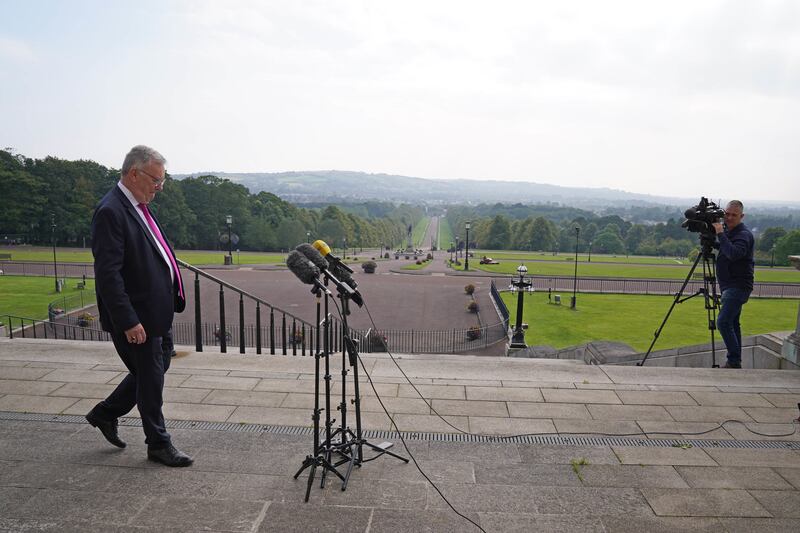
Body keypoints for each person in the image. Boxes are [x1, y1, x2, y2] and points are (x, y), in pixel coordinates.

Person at [85, 145, 192, 467]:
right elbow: (108, 275)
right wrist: (128, 321)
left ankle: (105, 413)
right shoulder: (111, 211)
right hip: (138, 317)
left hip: (157, 312)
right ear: (134, 173)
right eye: (156, 180)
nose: (160, 187)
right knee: (150, 380)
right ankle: (158, 443)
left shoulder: (138, 205)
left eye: (162, 181)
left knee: (157, 370)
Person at [713, 200, 755, 369]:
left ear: (741, 216)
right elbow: (726, 248)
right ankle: (735, 360)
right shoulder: (732, 231)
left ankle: (733, 360)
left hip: (737, 286)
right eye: (727, 214)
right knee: (733, 322)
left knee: (723, 322)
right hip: (730, 285)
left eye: (733, 215)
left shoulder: (743, 234)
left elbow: (733, 253)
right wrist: (714, 241)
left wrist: (720, 234)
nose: (729, 218)